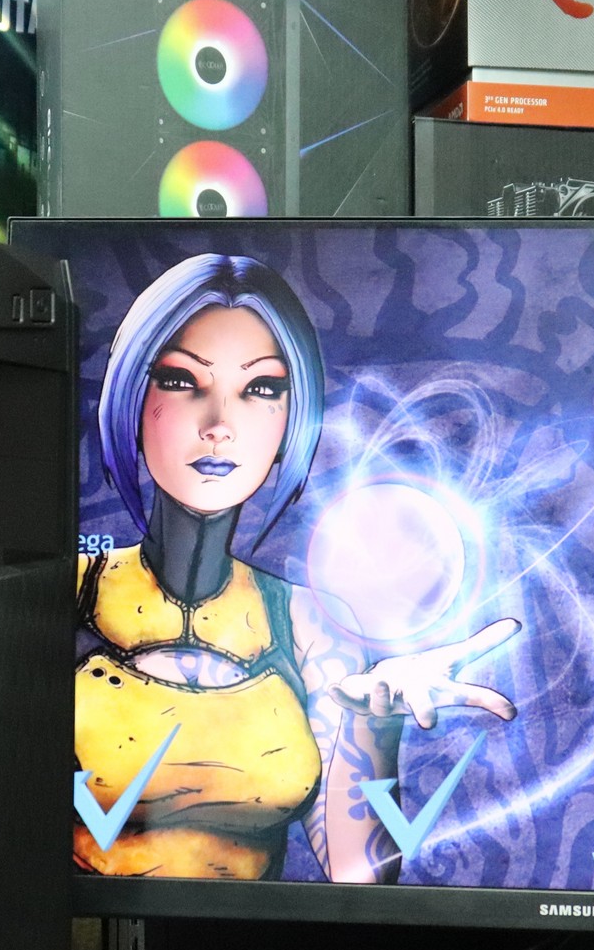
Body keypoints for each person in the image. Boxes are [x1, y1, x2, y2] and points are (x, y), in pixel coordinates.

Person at [74, 253, 519, 884]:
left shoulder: (310, 623)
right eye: (181, 380)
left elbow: (358, 878)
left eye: (260, 389)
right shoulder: (64, 592)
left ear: (291, 418)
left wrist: (374, 724)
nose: (219, 426)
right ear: (134, 399)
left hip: (256, 942)